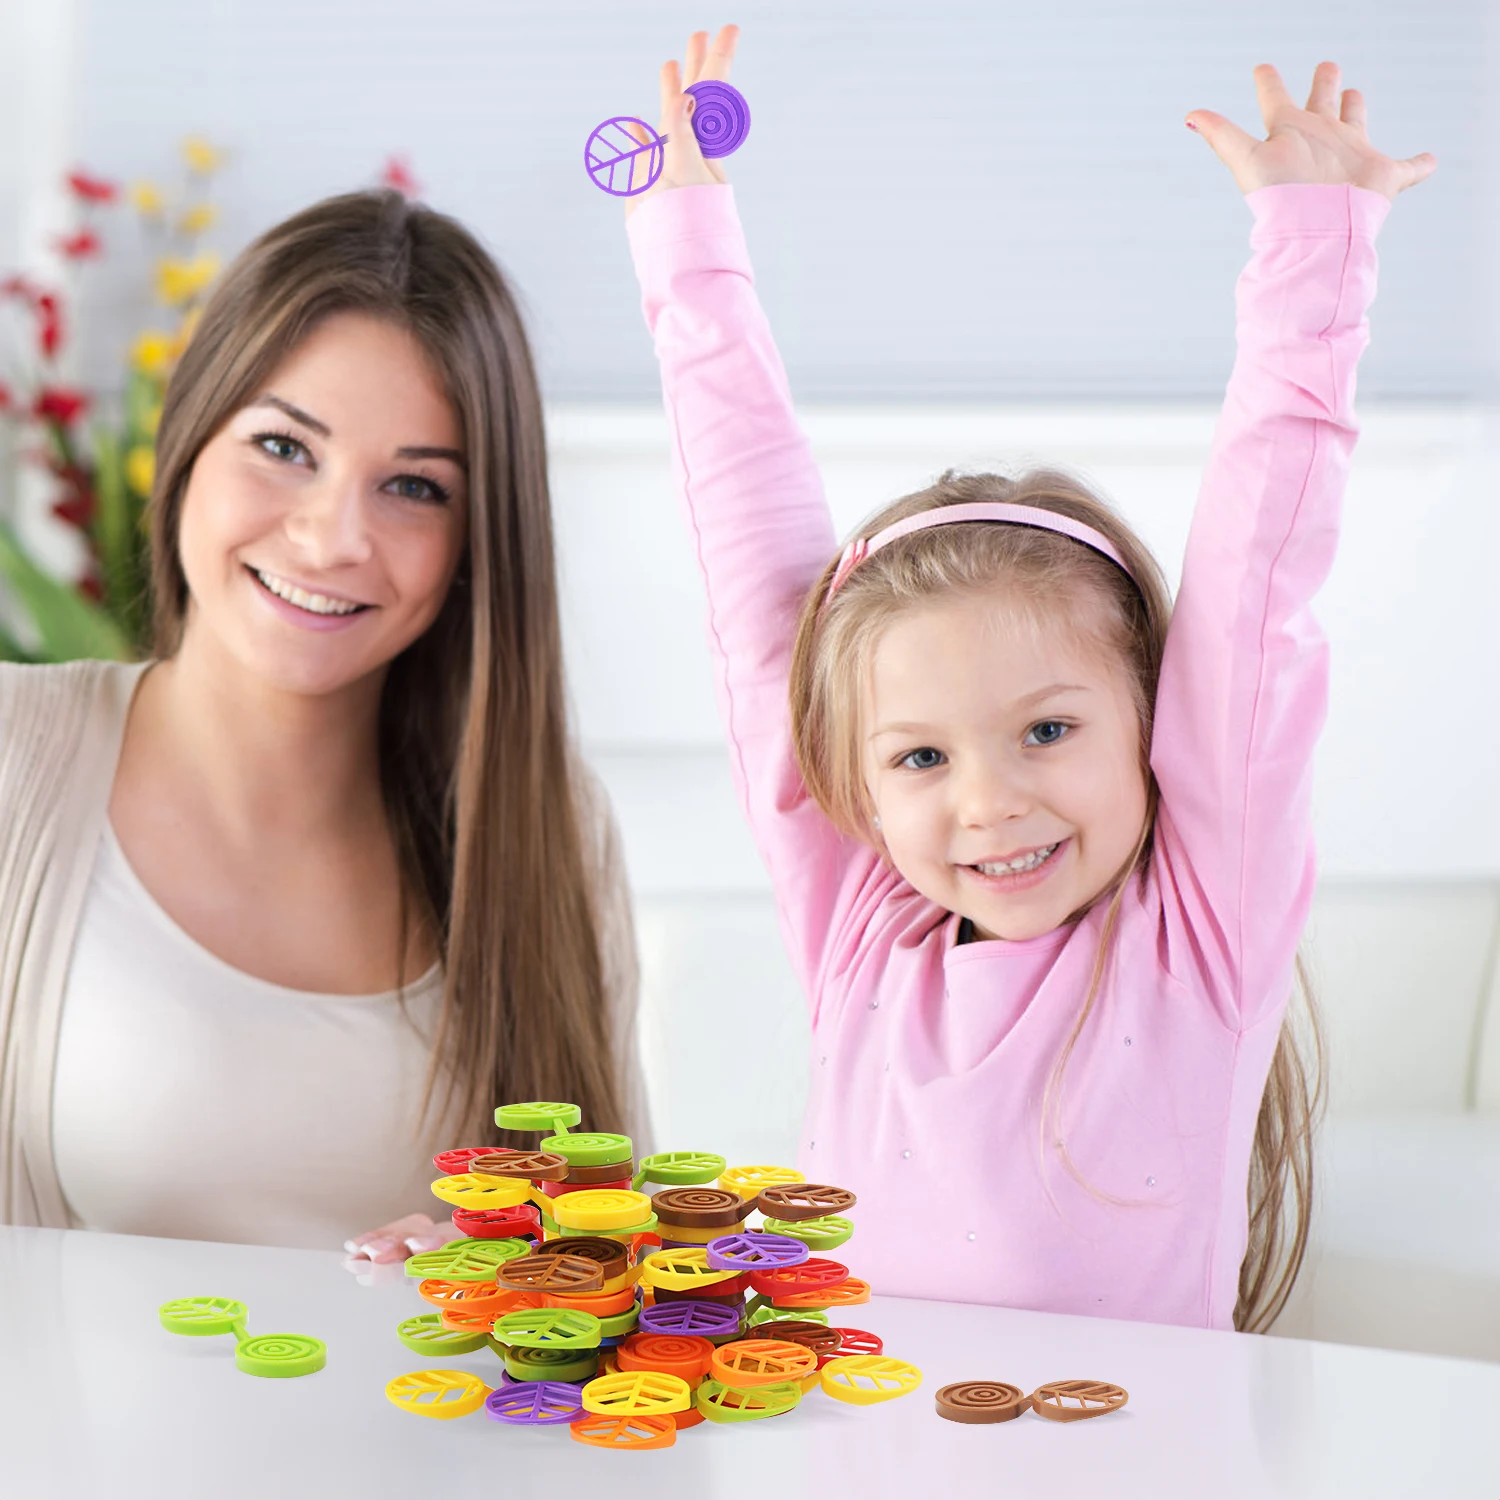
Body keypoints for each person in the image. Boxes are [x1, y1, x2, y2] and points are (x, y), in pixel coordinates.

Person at [623, 27, 1433, 1331]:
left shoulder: (1200, 934)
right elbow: (752, 581)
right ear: (852, 782)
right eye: (921, 757)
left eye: (1047, 729)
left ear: (1155, 728)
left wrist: (1315, 248)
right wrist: (687, 246)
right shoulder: (860, 927)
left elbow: (1258, 583)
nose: (988, 802)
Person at [0, 190, 648, 1254]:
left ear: (478, 539)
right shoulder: (16, 758)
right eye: (284, 447)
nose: (331, 536)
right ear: (188, 437)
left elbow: (615, 1279)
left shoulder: (553, 829)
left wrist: (526, 1279)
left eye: (415, 487)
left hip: (425, 1430)